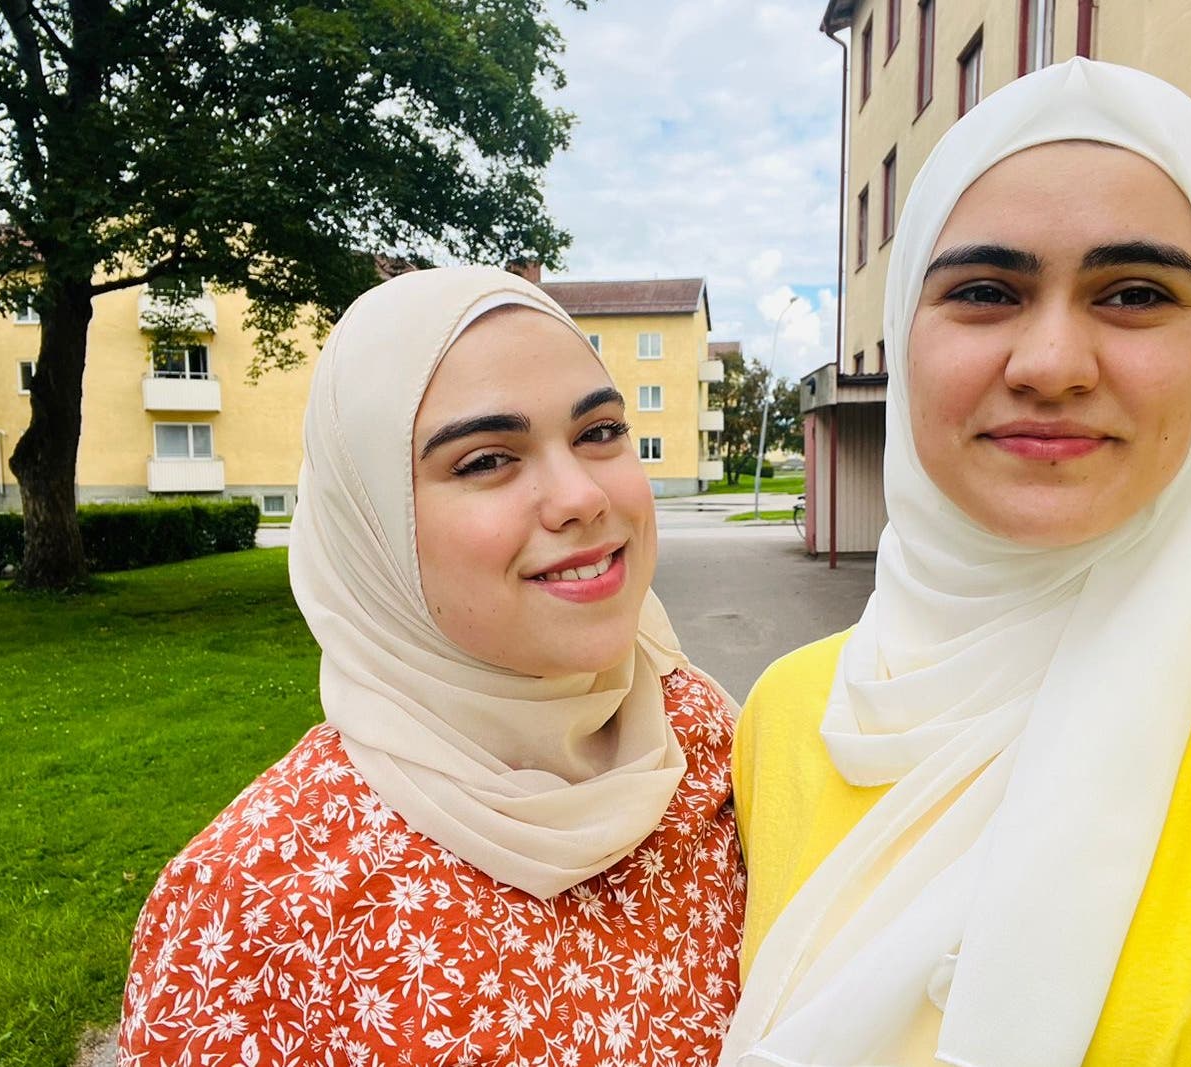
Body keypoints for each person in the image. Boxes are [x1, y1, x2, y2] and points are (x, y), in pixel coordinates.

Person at [723, 58, 1191, 1067]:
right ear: (905, 332)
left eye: (1132, 293)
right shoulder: (788, 713)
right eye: (986, 290)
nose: (1051, 365)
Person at [118, 266, 743, 1065]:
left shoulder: (711, 746)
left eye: (599, 432)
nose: (581, 495)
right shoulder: (252, 908)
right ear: (372, 528)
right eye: (486, 459)